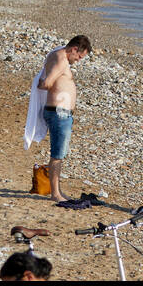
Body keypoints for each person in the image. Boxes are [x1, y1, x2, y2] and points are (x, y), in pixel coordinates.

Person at [37, 36, 93, 203]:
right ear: (74, 49)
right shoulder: (61, 59)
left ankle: (57, 191)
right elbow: (46, 83)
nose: (78, 61)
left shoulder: (56, 55)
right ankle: (55, 193)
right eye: (79, 56)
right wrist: (41, 84)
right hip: (59, 112)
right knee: (57, 155)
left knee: (58, 153)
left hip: (59, 112)